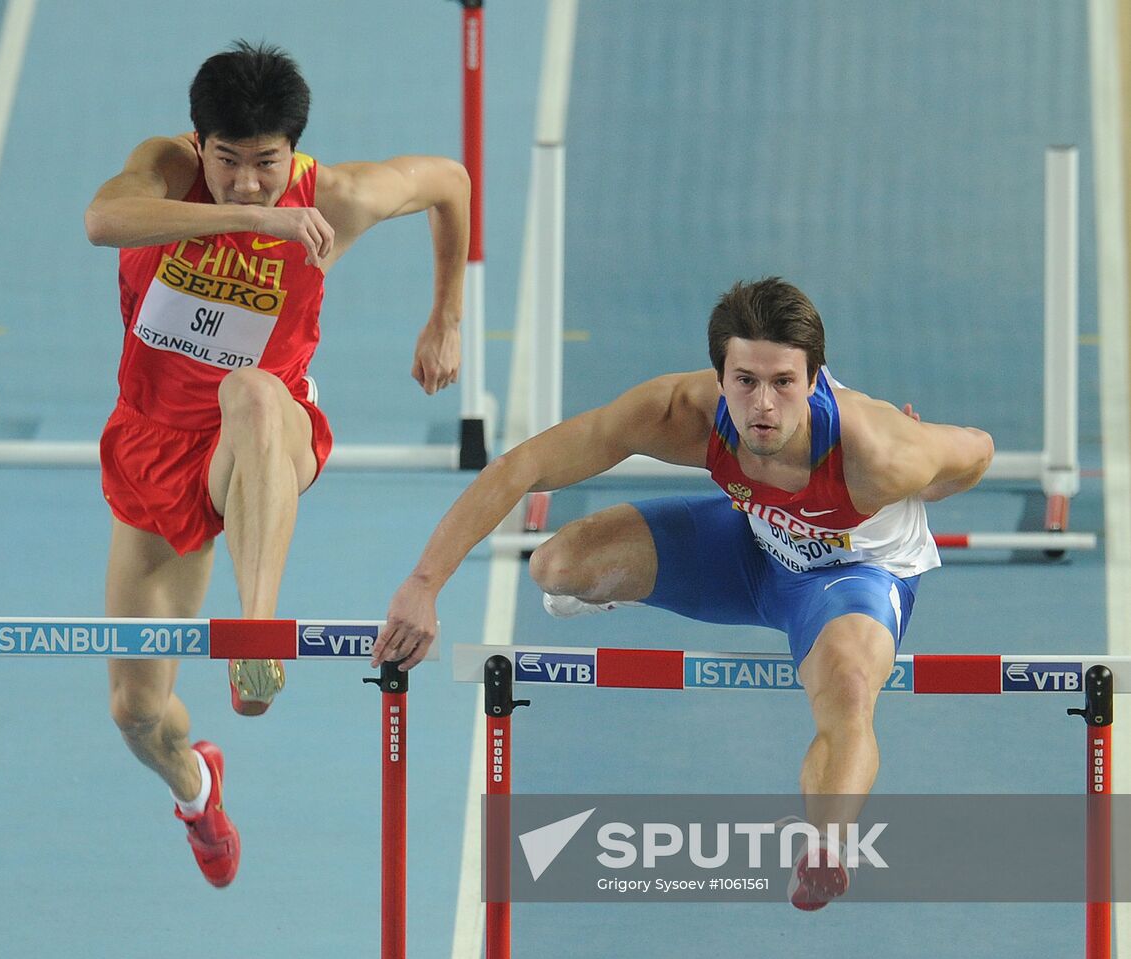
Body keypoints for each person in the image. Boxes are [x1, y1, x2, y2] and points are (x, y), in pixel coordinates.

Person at [372, 276, 993, 909]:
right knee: (556, 566)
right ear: (719, 376)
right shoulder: (683, 414)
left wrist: (929, 480)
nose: (764, 407)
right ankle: (611, 587)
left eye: (784, 382)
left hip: (849, 577)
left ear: (814, 380)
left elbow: (978, 452)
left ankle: (825, 849)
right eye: (745, 381)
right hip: (751, 548)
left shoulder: (883, 453)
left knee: (849, 689)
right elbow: (524, 465)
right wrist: (424, 583)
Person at [84, 41, 469, 888]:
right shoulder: (163, 168)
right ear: (198, 143)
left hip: (261, 440)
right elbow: (101, 221)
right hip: (153, 442)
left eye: (268, 165)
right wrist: (250, 221)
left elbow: (449, 181)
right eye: (229, 162)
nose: (250, 181)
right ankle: (198, 789)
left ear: (293, 150)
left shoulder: (336, 195)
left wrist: (445, 315)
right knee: (138, 713)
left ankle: (256, 633)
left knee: (254, 392)